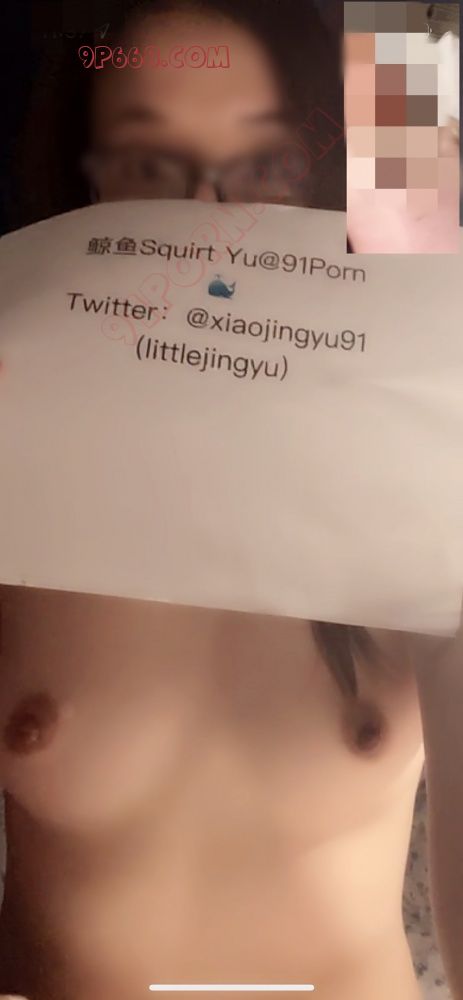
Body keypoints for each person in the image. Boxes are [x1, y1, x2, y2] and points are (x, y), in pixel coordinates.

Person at [0, 3, 462, 1000]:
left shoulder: (418, 463)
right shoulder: (17, 455)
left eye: (267, 168)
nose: (212, 223)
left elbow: (406, 52)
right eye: (149, 167)